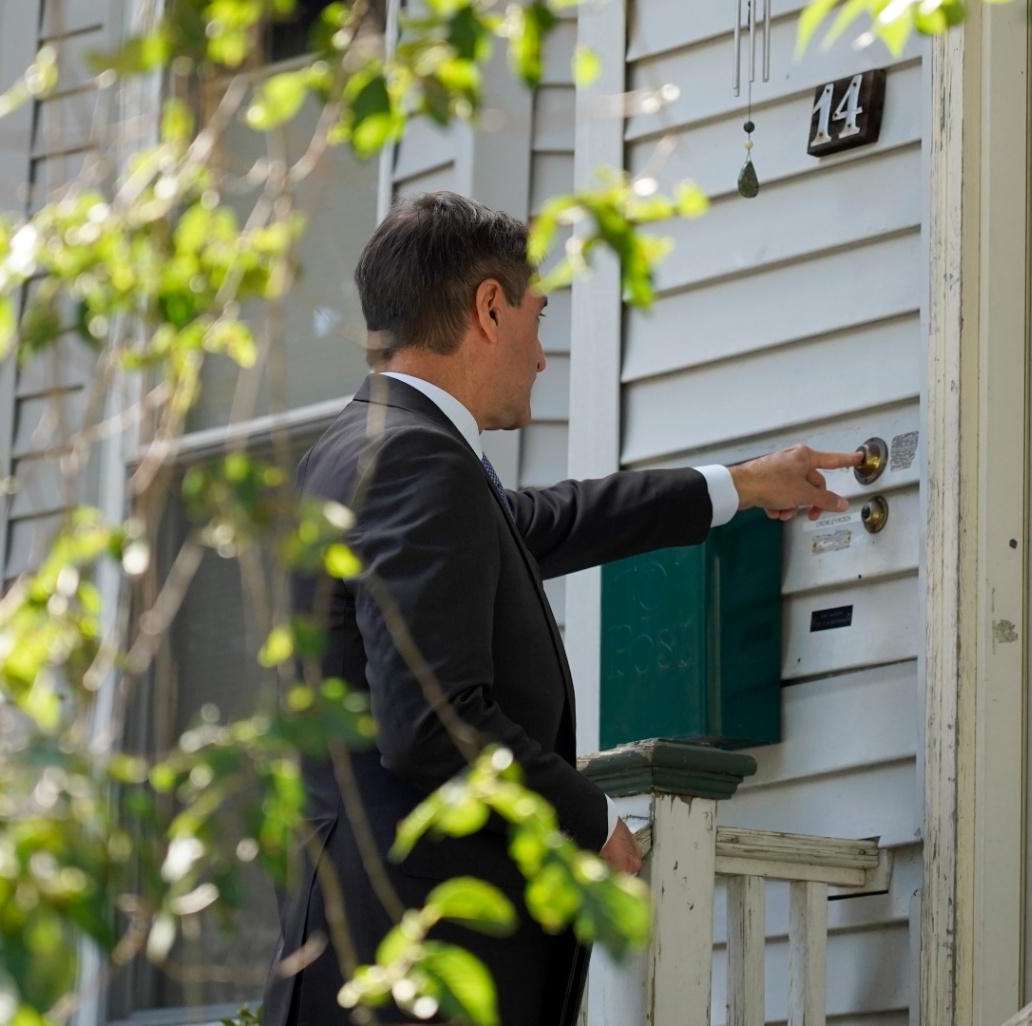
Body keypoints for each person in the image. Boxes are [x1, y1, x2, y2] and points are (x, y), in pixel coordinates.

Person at [261, 191, 868, 1026]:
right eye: (537, 316)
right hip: (424, 973)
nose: (544, 356)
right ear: (487, 307)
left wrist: (740, 485)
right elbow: (433, 719)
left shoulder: (362, 448)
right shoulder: (418, 462)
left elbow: (543, 524)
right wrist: (591, 817)